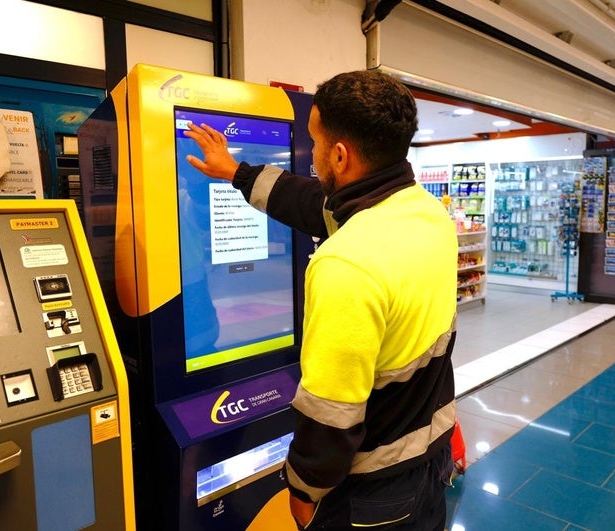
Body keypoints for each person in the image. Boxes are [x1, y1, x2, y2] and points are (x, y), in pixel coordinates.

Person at [184, 69, 458, 530]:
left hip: (374, 492)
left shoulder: (346, 264)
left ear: (339, 153)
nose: (310, 156)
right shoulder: (427, 213)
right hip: (430, 457)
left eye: (313, 143)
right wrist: (235, 172)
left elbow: (332, 412)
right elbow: (318, 203)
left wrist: (305, 489)